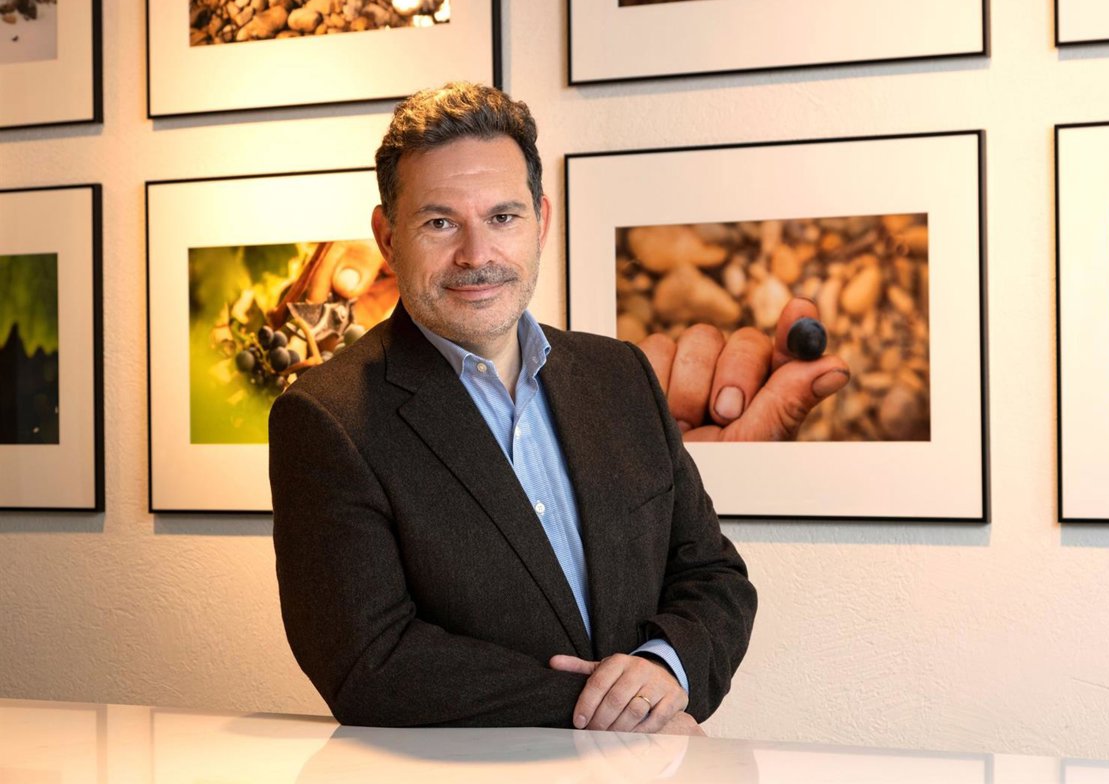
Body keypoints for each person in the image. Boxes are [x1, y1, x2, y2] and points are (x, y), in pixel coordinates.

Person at [270, 82, 847, 735]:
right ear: (386, 236)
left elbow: (713, 576)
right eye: (440, 222)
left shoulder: (621, 375)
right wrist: (621, 714)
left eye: (503, 217)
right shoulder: (326, 418)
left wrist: (666, 667)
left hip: (651, 773)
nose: (477, 255)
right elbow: (369, 663)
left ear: (541, 221)